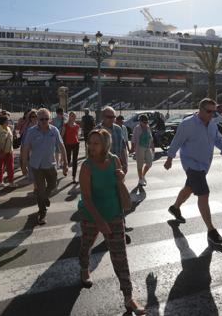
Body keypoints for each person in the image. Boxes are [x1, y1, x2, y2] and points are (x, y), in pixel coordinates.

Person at [77, 129, 145, 315]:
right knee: (86, 245)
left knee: (120, 256)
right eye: (90, 143)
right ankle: (84, 267)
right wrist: (99, 221)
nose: (91, 146)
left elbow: (119, 180)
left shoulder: (114, 159)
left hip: (114, 214)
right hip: (92, 216)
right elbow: (87, 198)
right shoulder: (86, 166)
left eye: (96, 143)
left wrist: (121, 178)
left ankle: (129, 297)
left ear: (105, 144)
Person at [164, 98, 222, 245]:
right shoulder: (188, 124)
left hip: (204, 165)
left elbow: (218, 140)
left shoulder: (213, 124)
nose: (212, 114)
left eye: (214, 112)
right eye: (209, 111)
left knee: (190, 188)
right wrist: (170, 157)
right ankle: (211, 231)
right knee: (204, 193)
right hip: (191, 164)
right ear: (200, 110)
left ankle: (175, 207)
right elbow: (177, 141)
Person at [21, 108, 68, 225]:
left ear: (49, 119)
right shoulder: (31, 131)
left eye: (46, 119)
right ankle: (42, 213)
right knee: (40, 189)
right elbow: (25, 148)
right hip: (36, 165)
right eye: (41, 119)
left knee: (52, 184)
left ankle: (45, 198)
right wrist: (23, 164)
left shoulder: (54, 130)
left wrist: (65, 163)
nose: (44, 121)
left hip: (50, 164)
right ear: (37, 119)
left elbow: (61, 146)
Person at [96, 106, 129, 174]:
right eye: (109, 117)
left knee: (118, 184)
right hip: (101, 167)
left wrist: (125, 164)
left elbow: (123, 147)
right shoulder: (97, 130)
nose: (112, 119)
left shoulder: (118, 129)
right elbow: (92, 151)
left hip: (117, 167)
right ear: (103, 117)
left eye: (113, 117)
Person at [131, 114, 155, 187]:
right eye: (144, 122)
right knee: (140, 164)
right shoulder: (137, 128)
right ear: (140, 122)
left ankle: (143, 175)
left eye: (147, 122)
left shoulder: (148, 127)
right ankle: (140, 179)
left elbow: (150, 138)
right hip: (139, 148)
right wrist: (132, 148)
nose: (146, 124)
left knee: (149, 163)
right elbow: (133, 139)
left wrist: (152, 147)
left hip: (147, 147)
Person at [0, 116, 16, 187]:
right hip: (0, 151)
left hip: (9, 151)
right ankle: (0, 181)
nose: (8, 122)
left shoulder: (8, 128)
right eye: (7, 121)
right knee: (0, 167)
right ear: (3, 122)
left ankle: (11, 182)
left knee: (11, 167)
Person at [62, 111, 81, 183]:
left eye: (74, 116)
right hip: (68, 144)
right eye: (71, 115)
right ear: (69, 116)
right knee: (68, 159)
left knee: (75, 161)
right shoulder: (65, 125)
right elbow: (62, 135)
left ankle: (74, 177)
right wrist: (60, 144)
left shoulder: (77, 126)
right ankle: (65, 169)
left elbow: (77, 135)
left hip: (76, 144)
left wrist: (78, 140)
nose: (73, 117)